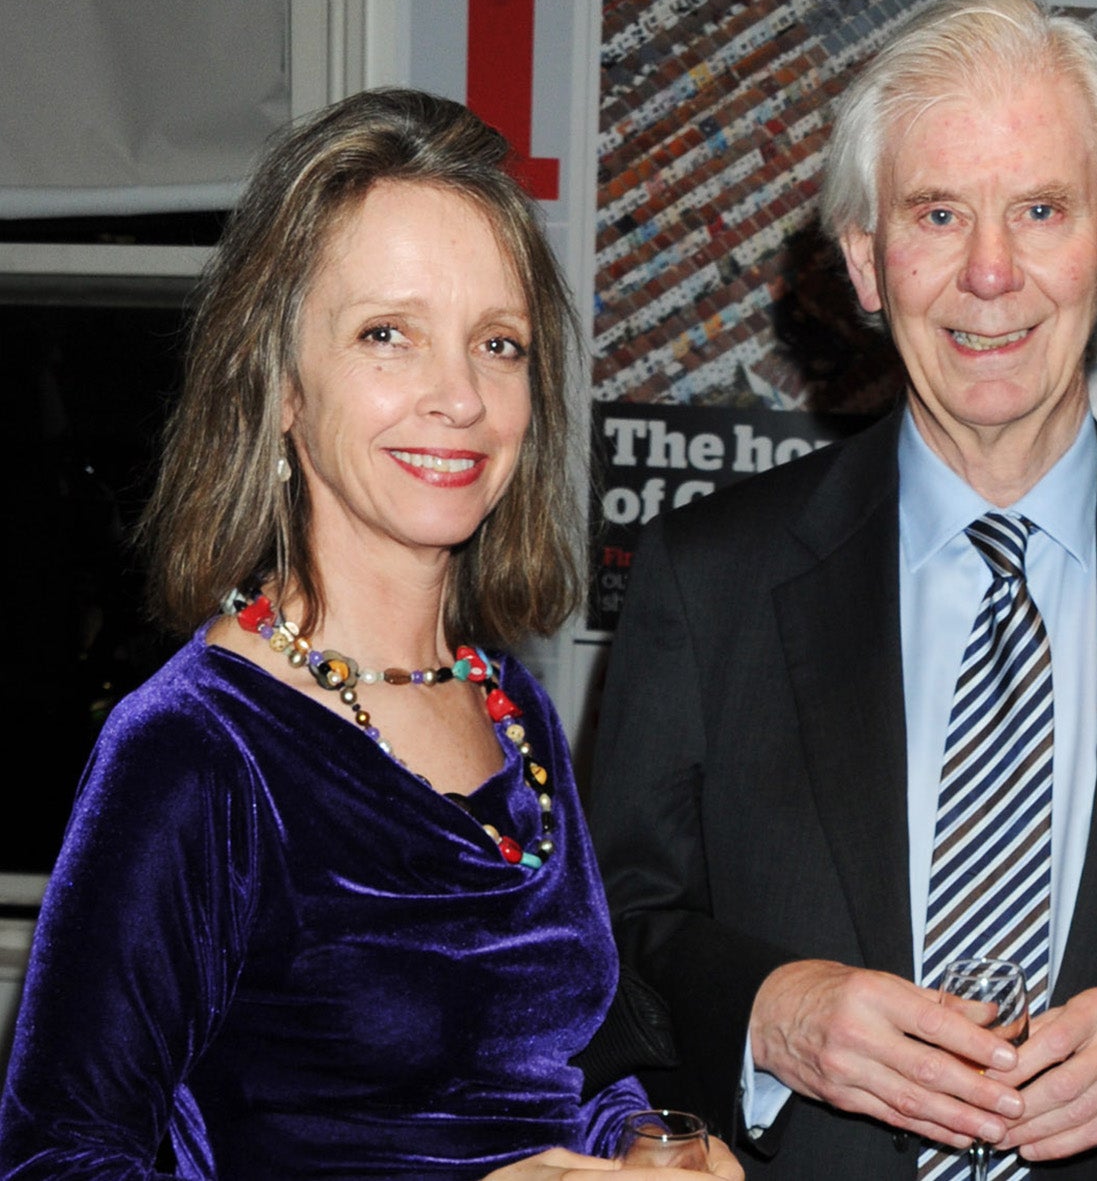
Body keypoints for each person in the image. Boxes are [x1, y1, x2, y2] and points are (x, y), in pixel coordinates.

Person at [591, 0, 1097, 1178]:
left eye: (1039, 210)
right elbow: (600, 945)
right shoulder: (705, 582)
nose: (990, 273)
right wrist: (771, 1015)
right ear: (865, 261)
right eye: (937, 214)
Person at [0, 89, 741, 1181]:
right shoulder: (194, 750)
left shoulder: (511, 707)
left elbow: (548, 1068)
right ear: (281, 387)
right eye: (387, 335)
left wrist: (637, 1142)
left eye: (498, 343)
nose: (459, 396)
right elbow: (56, 1161)